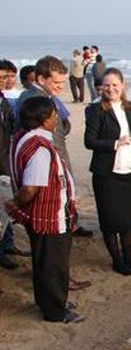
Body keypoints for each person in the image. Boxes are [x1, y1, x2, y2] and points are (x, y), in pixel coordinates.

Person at [4, 97, 85, 323]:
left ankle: (51, 301)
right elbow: (31, 188)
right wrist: (16, 203)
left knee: (45, 262)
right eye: (52, 115)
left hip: (46, 215)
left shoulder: (24, 138)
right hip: (49, 216)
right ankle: (56, 310)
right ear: (43, 120)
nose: (56, 117)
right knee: (53, 265)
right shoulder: (39, 148)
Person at [16, 56, 93, 239]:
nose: (61, 87)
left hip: (53, 153)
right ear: (41, 79)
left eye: (63, 82)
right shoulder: (37, 101)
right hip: (50, 157)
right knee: (54, 198)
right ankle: (63, 228)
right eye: (56, 82)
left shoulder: (35, 95)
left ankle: (69, 225)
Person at [84, 68, 131, 275]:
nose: (110, 88)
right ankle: (117, 260)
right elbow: (89, 141)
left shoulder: (130, 108)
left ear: (123, 86)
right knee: (110, 221)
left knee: (129, 219)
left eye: (115, 85)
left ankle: (128, 258)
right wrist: (115, 143)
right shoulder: (96, 110)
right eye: (107, 85)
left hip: (129, 172)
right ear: (101, 87)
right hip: (107, 175)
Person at [0, 60, 31, 270]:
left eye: (8, 76)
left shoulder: (4, 101)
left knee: (5, 209)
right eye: (2, 77)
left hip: (5, 161)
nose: (5, 81)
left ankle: (7, 245)